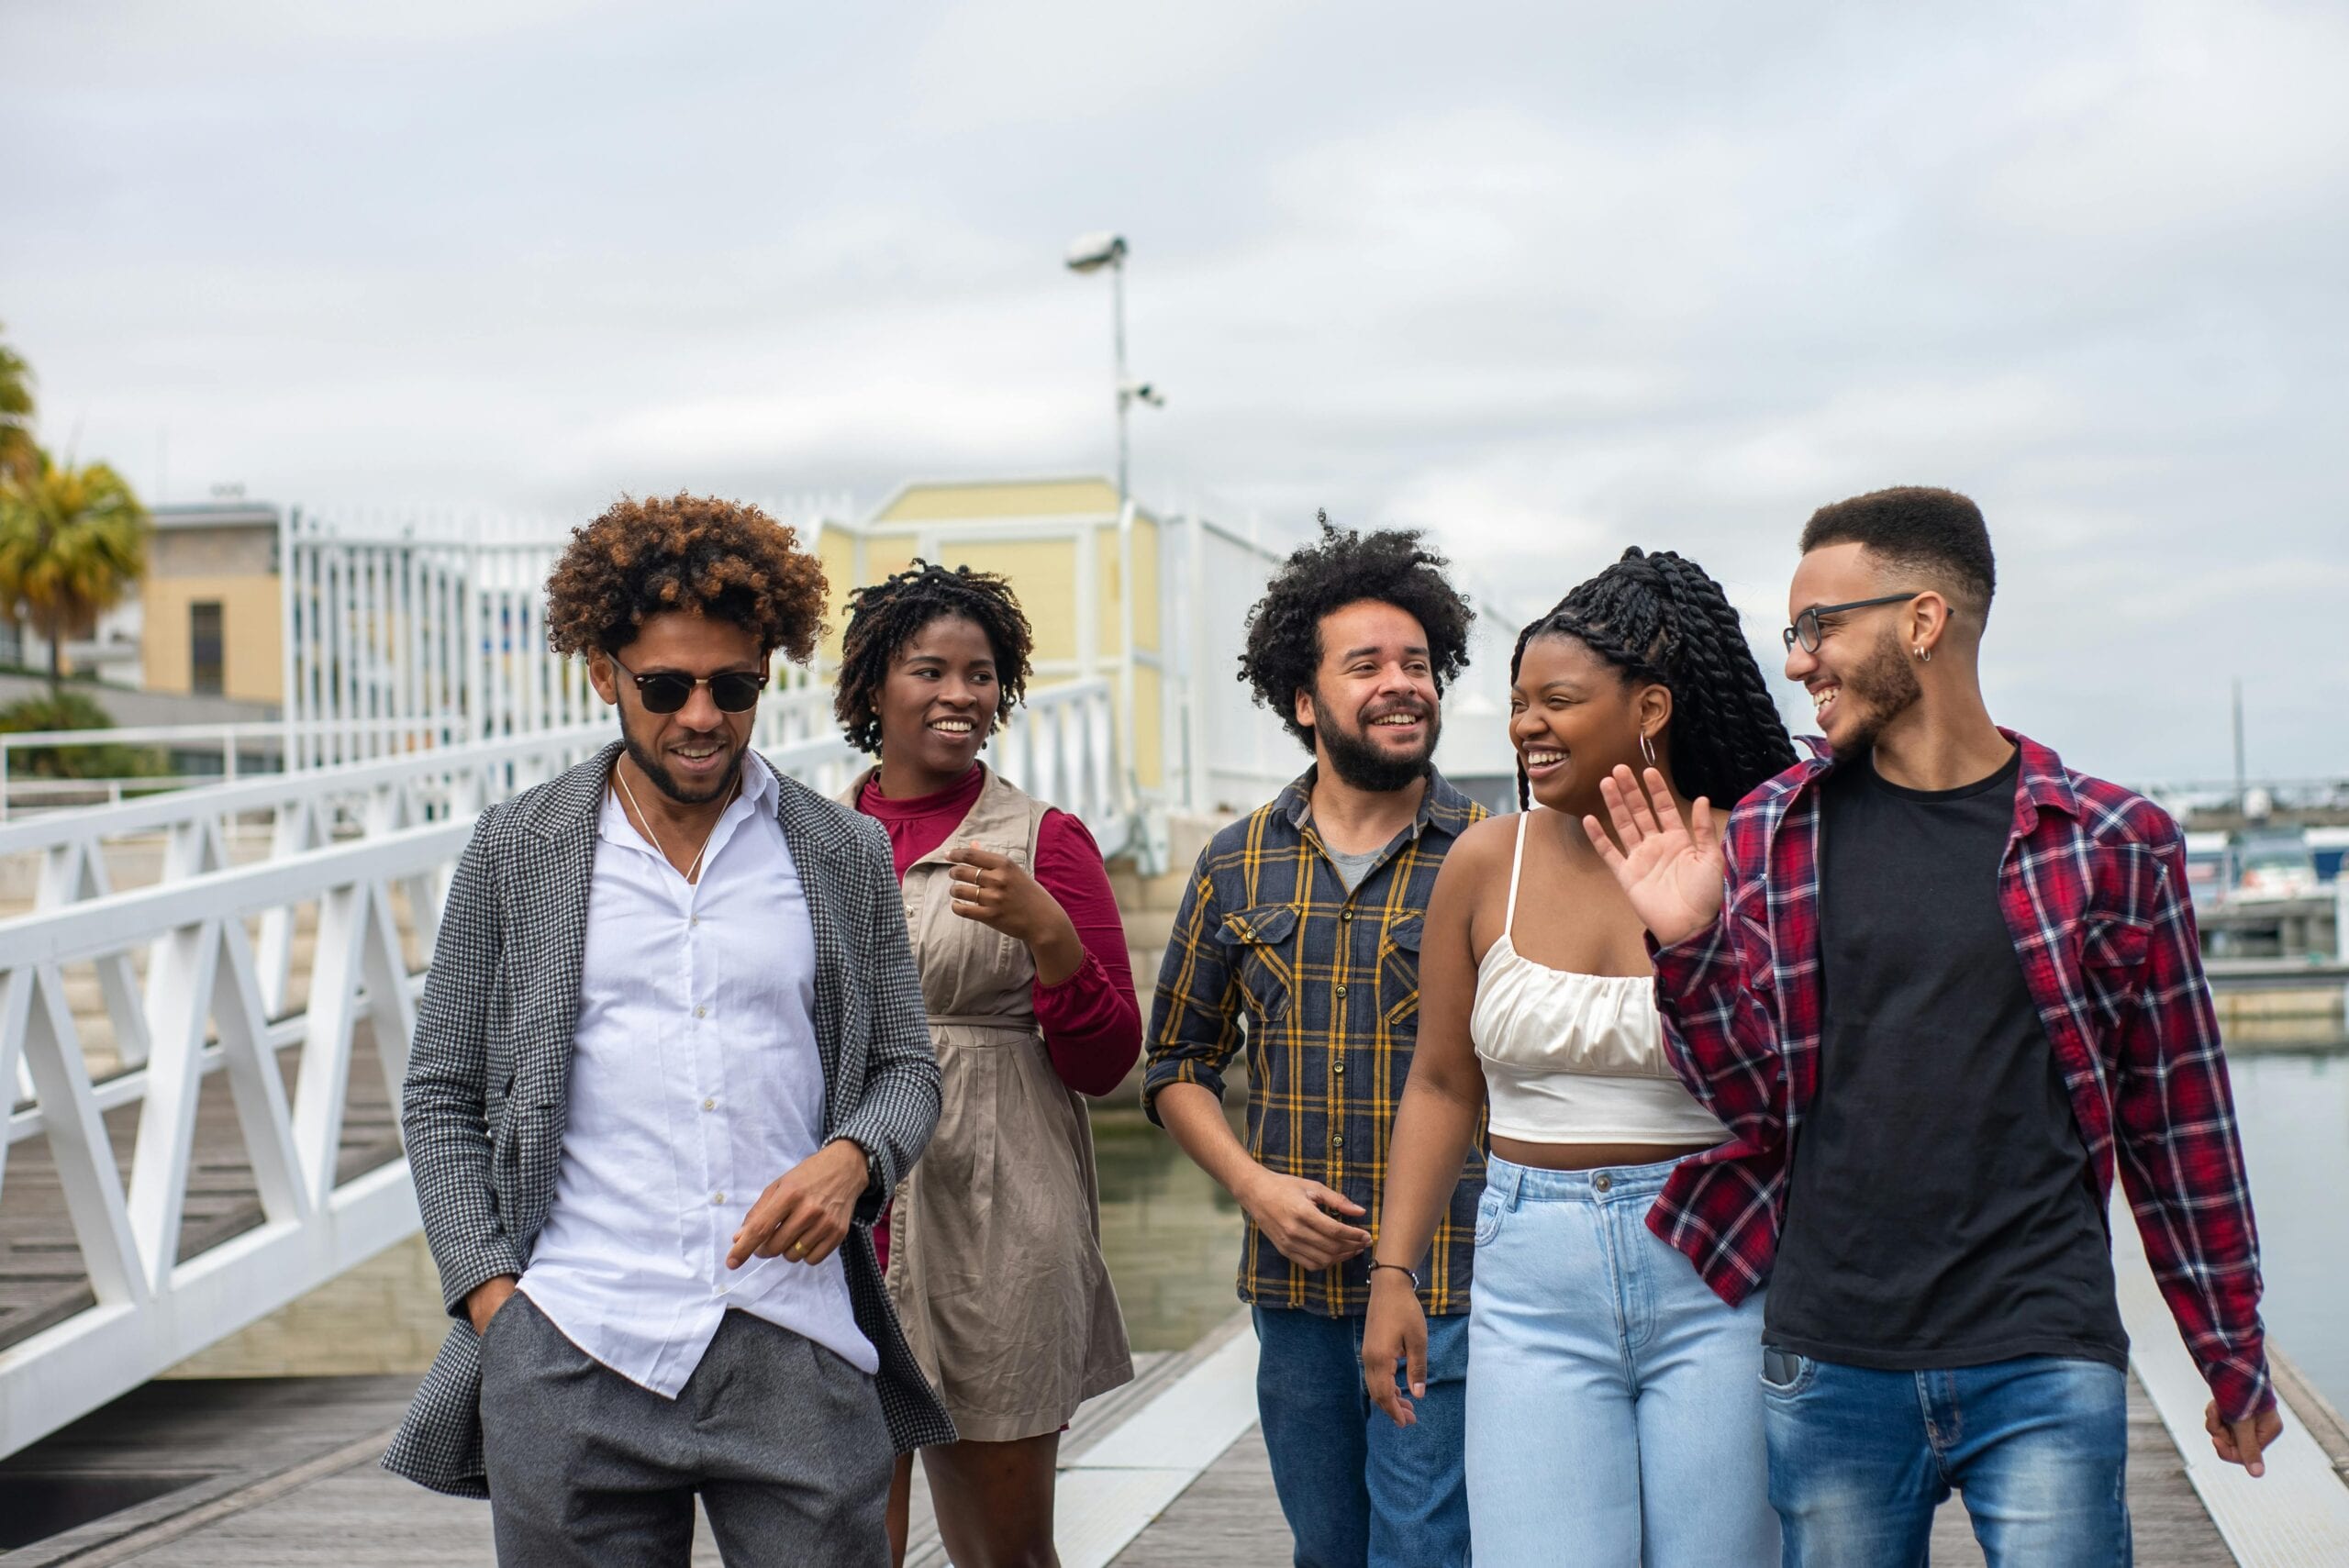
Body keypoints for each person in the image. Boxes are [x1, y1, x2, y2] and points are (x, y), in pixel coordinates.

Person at [1586, 487, 2277, 1566]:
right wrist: (1687, 946)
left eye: (1819, 626)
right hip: (1831, 1355)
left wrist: (2229, 1351)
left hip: (2043, 1347)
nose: (1799, 660)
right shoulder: (1773, 829)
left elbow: (2178, 1124)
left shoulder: (2111, 838)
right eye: (1792, 633)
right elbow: (1752, 1103)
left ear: (1920, 621)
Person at [384, 495, 955, 1566]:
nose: (701, 715)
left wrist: (851, 1159)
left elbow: (904, 1068)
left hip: (796, 1343)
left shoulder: (840, 849)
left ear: (765, 673)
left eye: (732, 685)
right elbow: (441, 1090)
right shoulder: (519, 847)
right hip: (571, 1342)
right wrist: (491, 1296)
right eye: (665, 686)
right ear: (603, 670)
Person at [1363, 548, 1794, 1566]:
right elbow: (1439, 1080)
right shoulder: (1484, 860)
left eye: (1556, 699)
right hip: (1527, 1271)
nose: (1524, 726)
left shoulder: (1758, 852)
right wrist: (1395, 1270)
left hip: (1720, 1258)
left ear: (1651, 705)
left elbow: (1798, 1076)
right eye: (1517, 703)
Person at [1144, 516, 1485, 1568]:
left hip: (1451, 1281)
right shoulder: (1234, 862)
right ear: (1303, 699)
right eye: (1367, 664)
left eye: (1418, 663)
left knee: (1423, 1546)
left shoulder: (1487, 855)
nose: (1402, 683)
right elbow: (1175, 1064)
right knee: (1325, 1548)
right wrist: (1253, 1185)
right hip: (1291, 1294)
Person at [831, 560, 1138, 1568]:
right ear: (872, 683)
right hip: (836, 1224)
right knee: (838, 1547)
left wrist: (1049, 932)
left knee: (1001, 1555)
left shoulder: (1045, 841)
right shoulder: (806, 837)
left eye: (983, 673)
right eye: (932, 669)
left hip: (997, 1212)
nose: (963, 695)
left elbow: (1105, 1061)